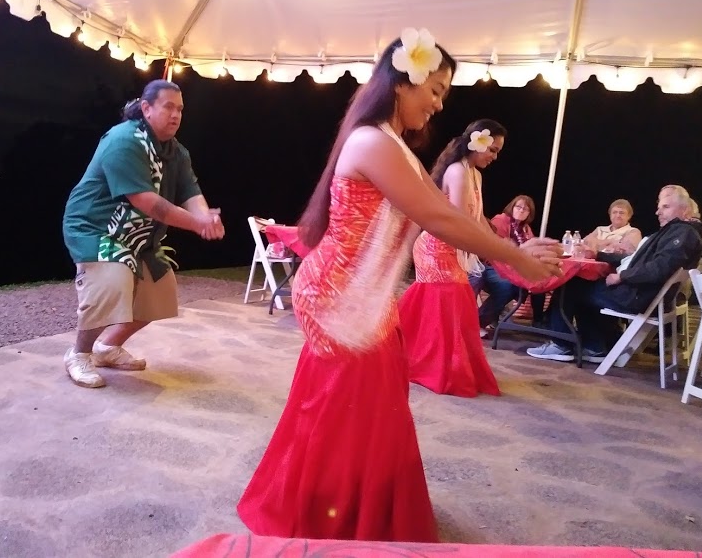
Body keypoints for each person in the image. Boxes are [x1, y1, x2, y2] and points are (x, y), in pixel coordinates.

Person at [236, 28, 561, 542]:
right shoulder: (372, 142)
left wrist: (511, 252)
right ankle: (326, 516)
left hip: (366, 297)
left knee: (373, 406)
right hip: (339, 298)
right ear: (402, 81)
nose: (438, 104)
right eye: (435, 90)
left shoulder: (392, 145)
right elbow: (438, 217)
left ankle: (354, 507)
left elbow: (445, 214)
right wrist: (514, 257)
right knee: (349, 409)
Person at [61, 80, 225, 388]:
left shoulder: (177, 152)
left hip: (138, 236)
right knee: (110, 284)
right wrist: (197, 224)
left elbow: (191, 192)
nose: (175, 115)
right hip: (96, 228)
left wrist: (205, 217)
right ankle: (78, 354)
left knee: (160, 293)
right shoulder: (123, 140)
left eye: (180, 109)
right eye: (168, 107)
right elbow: (147, 202)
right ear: (146, 108)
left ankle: (107, 347)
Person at [527, 186, 702, 363]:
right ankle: (594, 347)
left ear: (685, 210)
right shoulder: (677, 231)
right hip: (640, 294)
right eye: (659, 207)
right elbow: (634, 259)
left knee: (569, 285)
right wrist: (598, 255)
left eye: (666, 207)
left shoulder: (684, 233)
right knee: (584, 285)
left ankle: (560, 345)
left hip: (635, 296)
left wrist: (622, 276)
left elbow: (659, 268)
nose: (658, 212)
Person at [397, 119, 508, 397]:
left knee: (453, 300)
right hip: (435, 248)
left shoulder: (475, 175)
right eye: (492, 150)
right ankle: (431, 364)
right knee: (449, 299)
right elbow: (459, 220)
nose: (495, 157)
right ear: (477, 144)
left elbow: (477, 218)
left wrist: (500, 246)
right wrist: (493, 248)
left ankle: (421, 357)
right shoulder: (457, 171)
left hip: (451, 246)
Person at [473, 195, 549, 332]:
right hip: (493, 265)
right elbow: (496, 249)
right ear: (511, 207)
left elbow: (531, 251)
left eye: (526, 209)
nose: (521, 210)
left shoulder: (525, 229)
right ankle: (478, 322)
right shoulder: (500, 221)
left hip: (514, 268)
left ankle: (539, 321)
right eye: (518, 207)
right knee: (508, 286)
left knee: (539, 281)